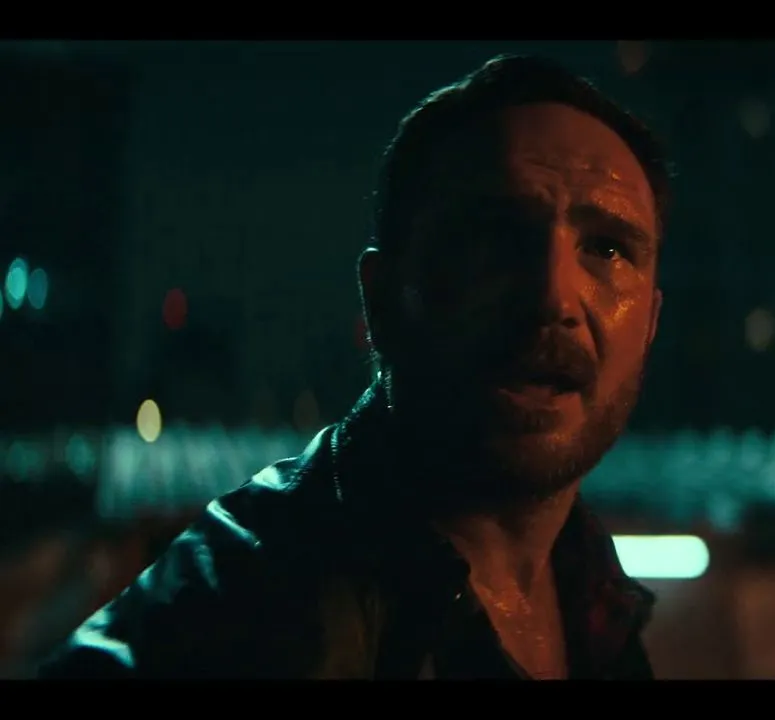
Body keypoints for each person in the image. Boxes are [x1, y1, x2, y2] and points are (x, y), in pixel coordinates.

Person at [39, 54, 670, 679]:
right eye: (494, 237)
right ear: (382, 297)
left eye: (608, 248)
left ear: (649, 323)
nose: (554, 297)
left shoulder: (593, 597)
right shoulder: (236, 613)